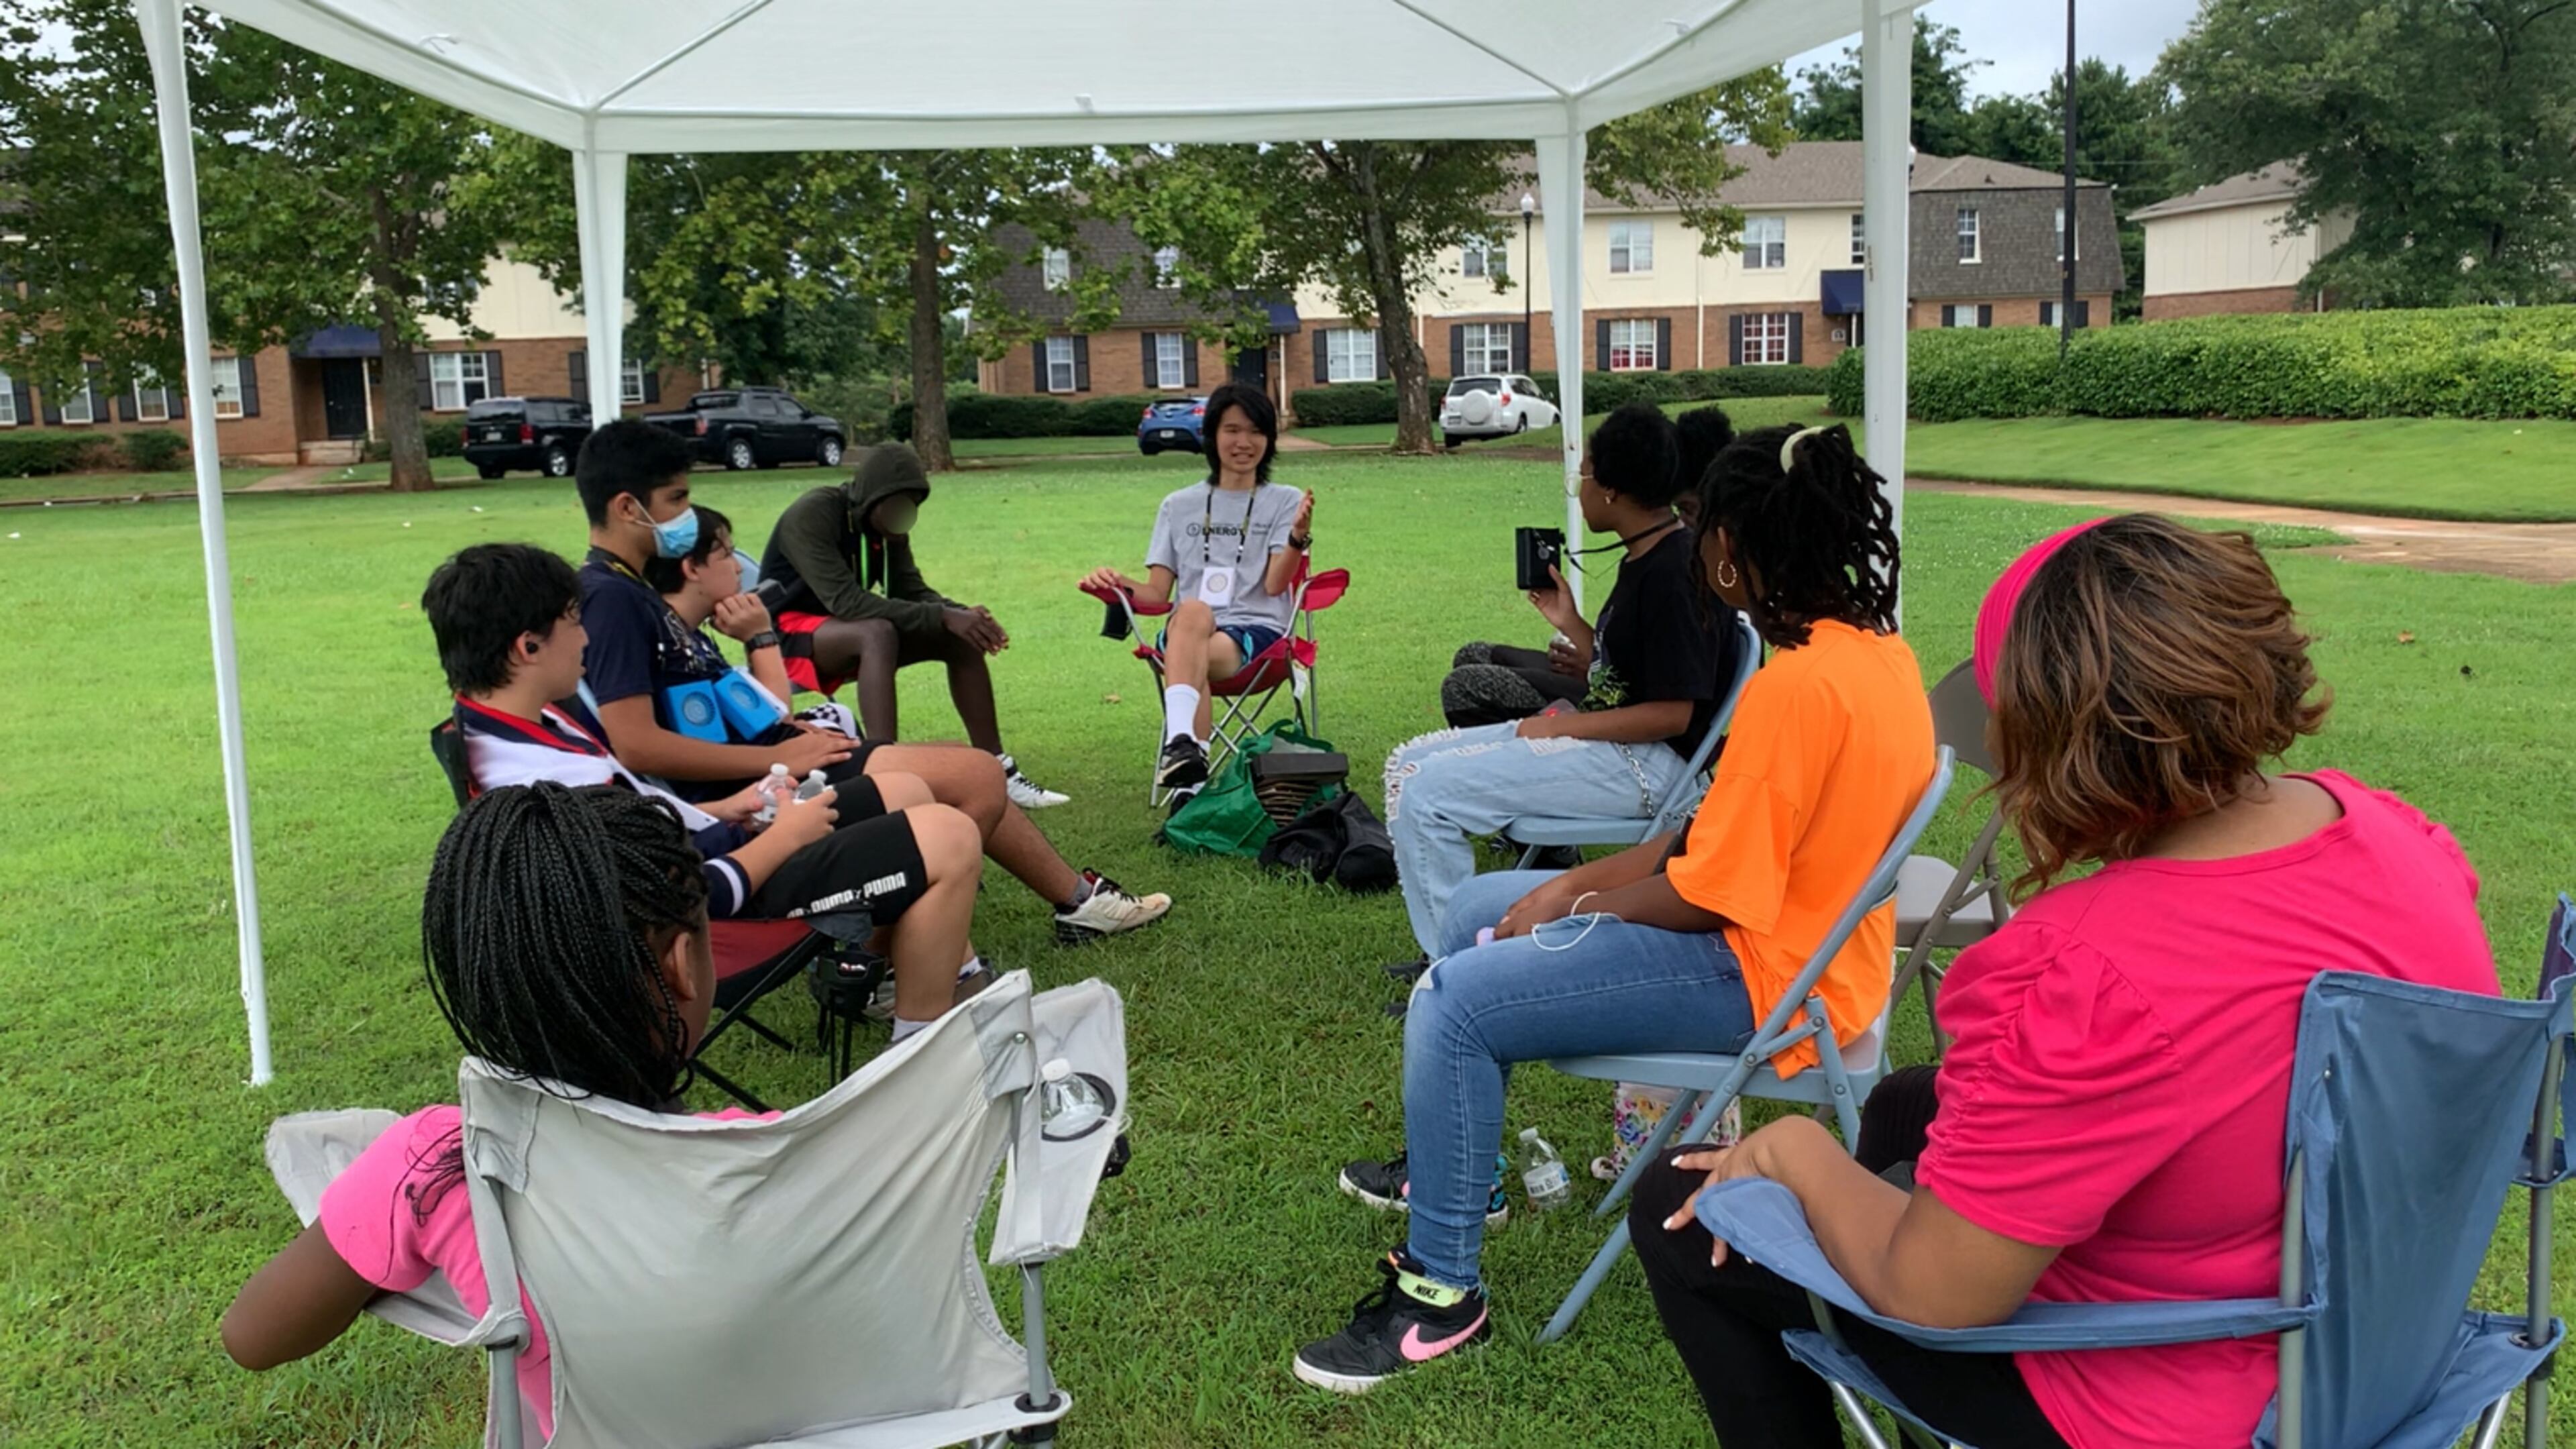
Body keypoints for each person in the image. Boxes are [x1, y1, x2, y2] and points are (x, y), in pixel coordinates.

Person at [1629, 514, 2503, 1449]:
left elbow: (1935, 1294)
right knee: (1905, 1104)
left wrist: (1797, 1153)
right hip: (2377, 1340)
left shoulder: (2081, 970)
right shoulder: (2399, 836)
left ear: (2041, 738)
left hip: (2167, 1392)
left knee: (1675, 1204)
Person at [1292, 423, 1931, 1393]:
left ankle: (1439, 1297)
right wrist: (1558, 889)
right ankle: (1462, 1175)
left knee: (1453, 1004)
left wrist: (1567, 903)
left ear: (1732, 547)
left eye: (1708, 529)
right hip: (1790, 946)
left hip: (1772, 980)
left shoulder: (1799, 689)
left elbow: (1708, 893)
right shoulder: (1876, 654)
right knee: (1474, 908)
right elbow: (1694, 845)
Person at [220, 782, 980, 1432]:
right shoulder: (779, 1159)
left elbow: (253, 1337)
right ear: (684, 966)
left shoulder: (433, 1169)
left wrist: (394, 1216)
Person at [571, 423, 1171, 945]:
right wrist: (780, 755)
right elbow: (637, 745)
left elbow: (697, 706)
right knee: (973, 777)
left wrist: (790, 730)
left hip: (782, 757)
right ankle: (891, 953)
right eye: (677, 499)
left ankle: (1069, 903)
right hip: (763, 787)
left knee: (972, 770)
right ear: (627, 507)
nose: (687, 514)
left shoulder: (631, 593)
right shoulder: (612, 599)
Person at [423, 544, 989, 1035]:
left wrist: (728, 810)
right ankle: (919, 1051)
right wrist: (785, 837)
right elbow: (680, 899)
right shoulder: (541, 782)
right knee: (950, 835)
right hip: (708, 920)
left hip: (709, 858)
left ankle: (917, 980)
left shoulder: (521, 725)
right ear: (528, 647)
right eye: (573, 622)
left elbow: (634, 818)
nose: (586, 637)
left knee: (903, 790)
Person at [1379, 402, 1746, 965]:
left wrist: (1559, 728)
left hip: (1651, 769)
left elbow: (1672, 713)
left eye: (1585, 474)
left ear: (1612, 490)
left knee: (1426, 793)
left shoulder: (1675, 572)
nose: (1581, 488)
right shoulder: (1649, 554)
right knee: (1408, 765)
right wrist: (1572, 624)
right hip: (1619, 750)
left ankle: (1457, 964)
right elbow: (1632, 677)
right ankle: (1455, 951)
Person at [759, 440, 1069, 809]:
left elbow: (910, 590)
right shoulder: (815, 514)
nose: (904, 514)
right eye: (897, 504)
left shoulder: (885, 527)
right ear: (872, 498)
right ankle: (881, 773)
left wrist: (962, 615)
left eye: (912, 505)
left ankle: (998, 768)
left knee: (956, 638)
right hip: (784, 636)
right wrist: (943, 616)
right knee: (877, 632)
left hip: (845, 629)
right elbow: (846, 601)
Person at [1079, 382, 1313, 798]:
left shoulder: (1285, 501)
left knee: (1189, 636)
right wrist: (1116, 583)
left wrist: (1297, 538)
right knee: (1192, 614)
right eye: (1232, 430)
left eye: (1256, 432)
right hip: (1188, 633)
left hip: (1256, 636)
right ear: (1212, 436)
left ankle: (1183, 763)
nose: (1244, 443)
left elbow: (1276, 584)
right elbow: (1156, 594)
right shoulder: (1178, 505)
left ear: (1269, 440)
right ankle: (1186, 758)